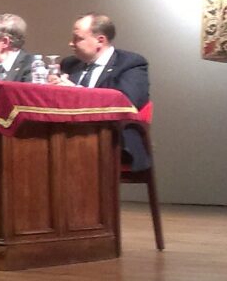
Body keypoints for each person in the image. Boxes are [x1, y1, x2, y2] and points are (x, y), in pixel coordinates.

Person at [50, 13, 151, 171]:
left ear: (100, 40)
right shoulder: (69, 64)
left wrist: (76, 92)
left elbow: (127, 101)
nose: (71, 43)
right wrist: (51, 87)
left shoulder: (130, 63)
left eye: (78, 38)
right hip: (66, 135)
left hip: (113, 138)